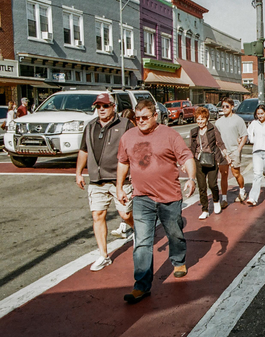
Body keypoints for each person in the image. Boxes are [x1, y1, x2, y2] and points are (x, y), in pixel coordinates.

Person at [116, 99, 197, 304]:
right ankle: (141, 285)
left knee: (174, 232)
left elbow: (186, 157)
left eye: (145, 117)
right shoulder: (128, 137)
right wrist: (119, 187)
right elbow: (123, 162)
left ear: (155, 116)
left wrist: (191, 178)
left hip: (168, 196)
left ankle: (178, 260)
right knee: (142, 241)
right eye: (137, 118)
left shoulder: (170, 135)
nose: (140, 121)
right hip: (141, 197)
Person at [74, 93, 135, 271]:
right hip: (96, 180)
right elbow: (83, 151)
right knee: (97, 215)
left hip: (120, 180)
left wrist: (135, 172)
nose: (101, 109)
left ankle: (137, 229)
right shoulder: (90, 126)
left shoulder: (125, 125)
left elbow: (135, 149)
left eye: (105, 106)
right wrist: (78, 173)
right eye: (98, 106)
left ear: (113, 107)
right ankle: (103, 255)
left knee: (125, 214)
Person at [190, 107, 230, 219]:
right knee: (202, 186)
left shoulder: (213, 129)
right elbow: (191, 148)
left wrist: (226, 155)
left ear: (207, 119)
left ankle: (216, 201)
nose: (200, 122)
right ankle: (205, 209)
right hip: (199, 160)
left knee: (212, 184)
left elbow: (220, 143)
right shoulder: (194, 132)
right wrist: (187, 162)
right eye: (198, 119)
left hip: (211, 159)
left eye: (202, 119)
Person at [215, 97, 248, 207]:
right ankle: (224, 198)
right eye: (223, 106)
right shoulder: (218, 122)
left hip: (234, 150)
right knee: (224, 175)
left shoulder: (238, 120)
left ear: (232, 107)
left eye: (227, 106)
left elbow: (244, 135)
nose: (224, 108)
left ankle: (242, 190)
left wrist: (239, 149)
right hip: (223, 152)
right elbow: (216, 138)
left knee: (236, 173)